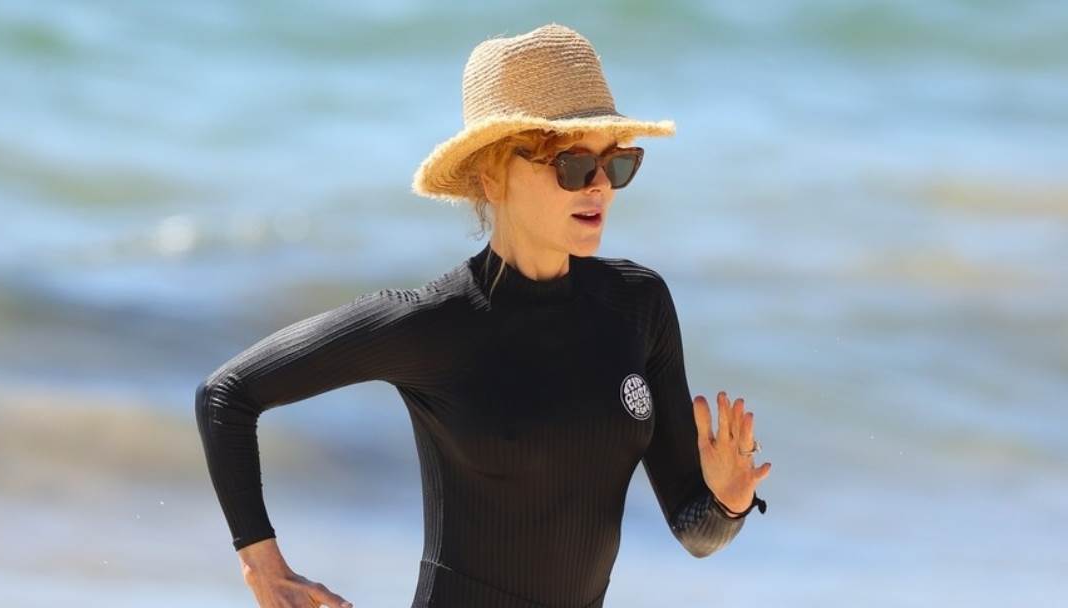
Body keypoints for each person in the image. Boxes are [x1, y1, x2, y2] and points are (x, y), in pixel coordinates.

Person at [195, 22, 771, 608]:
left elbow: (695, 531)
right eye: (573, 165)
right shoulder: (431, 325)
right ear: (492, 176)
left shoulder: (639, 306)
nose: (600, 186)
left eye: (616, 163)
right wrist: (264, 568)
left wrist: (728, 504)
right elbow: (226, 396)